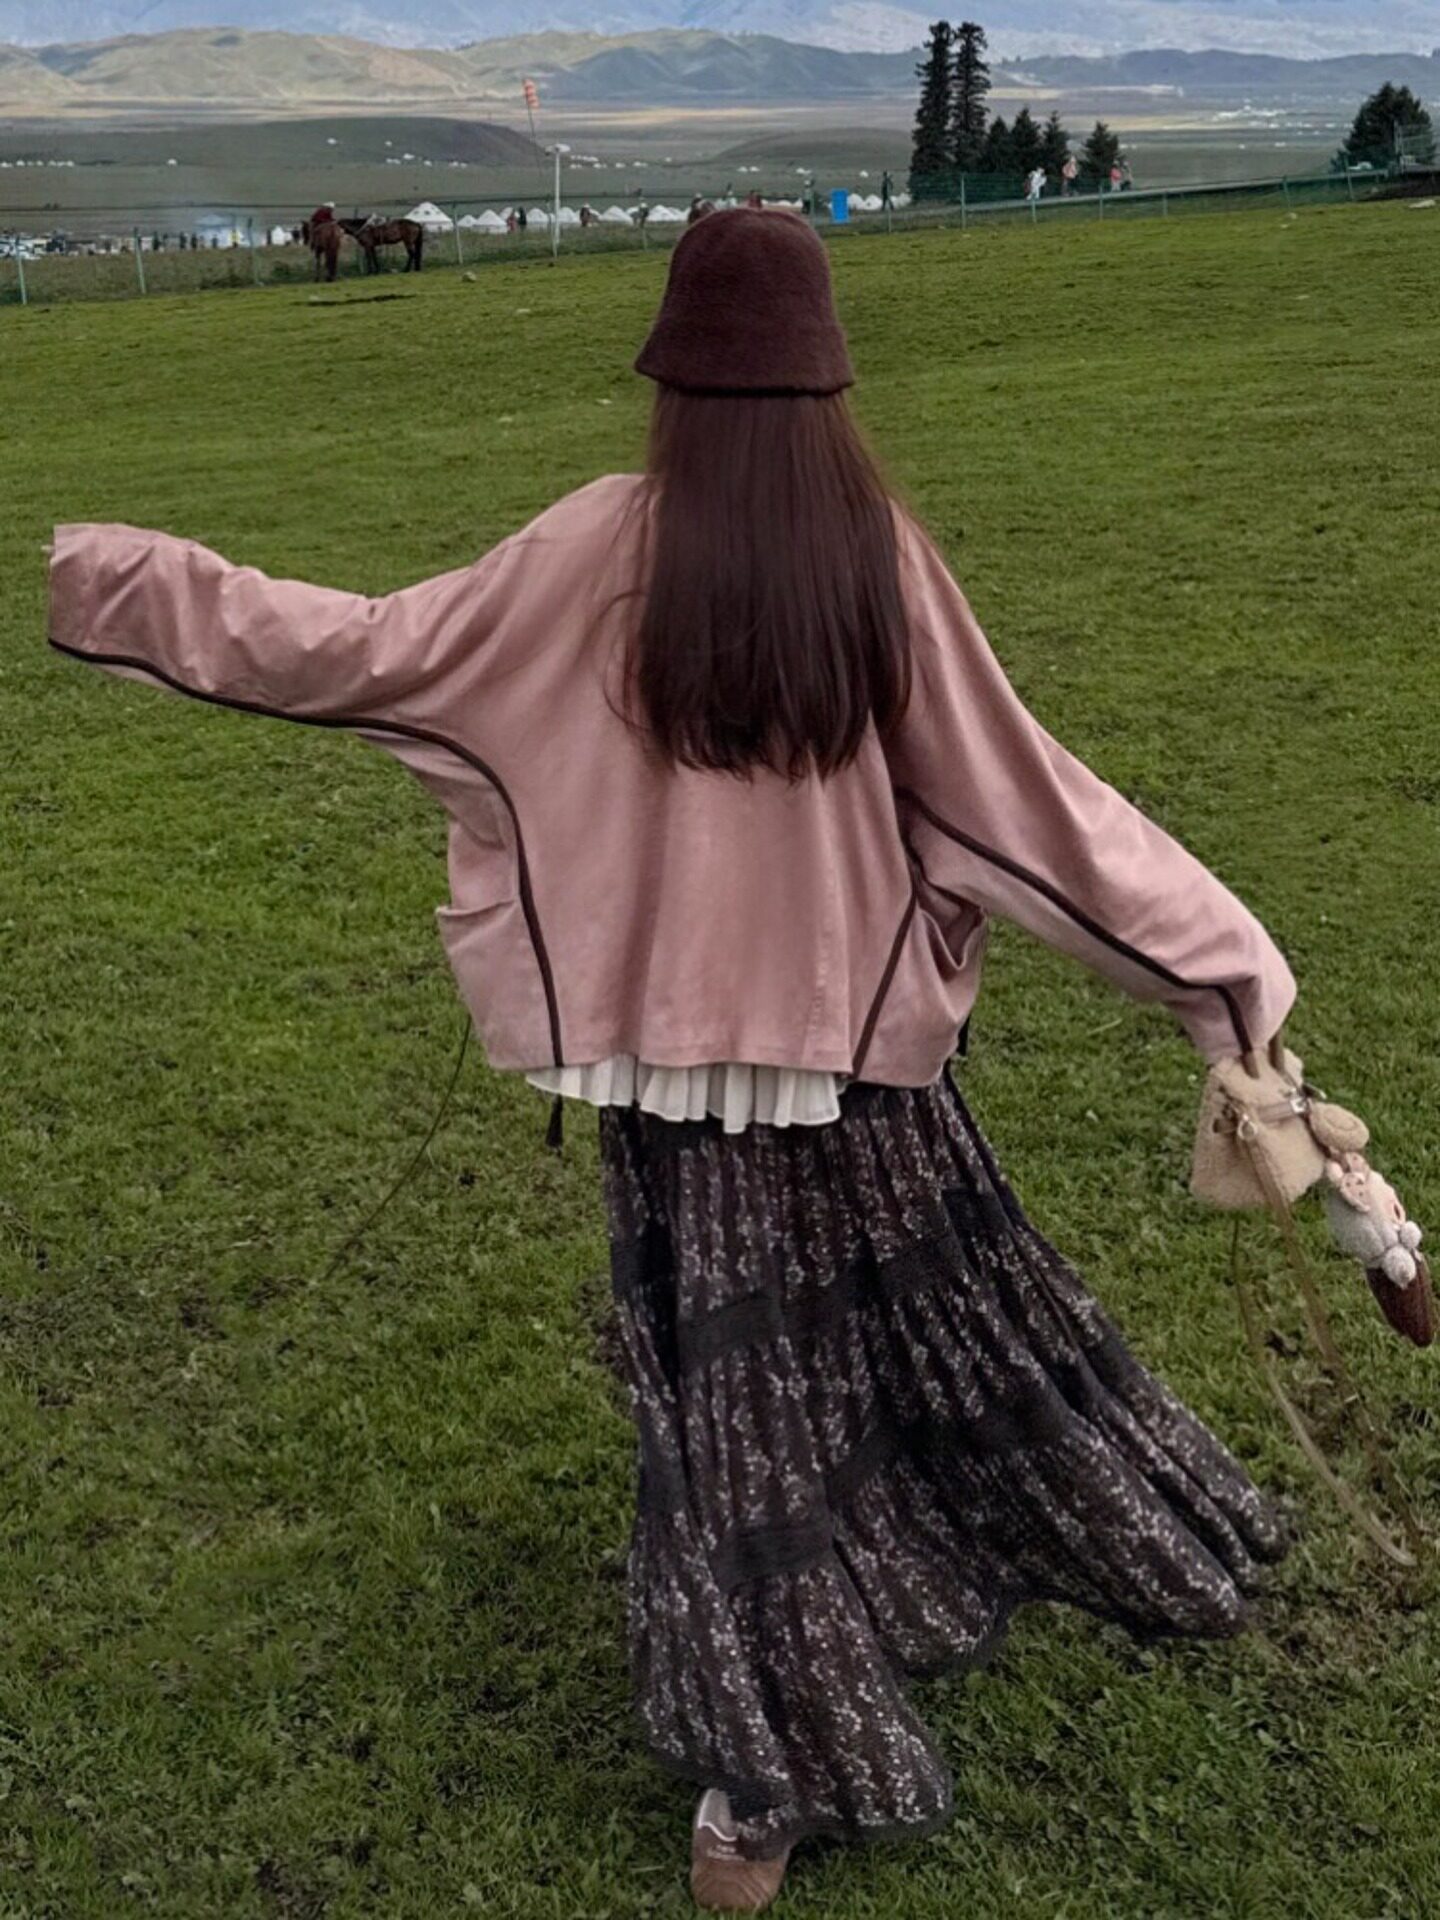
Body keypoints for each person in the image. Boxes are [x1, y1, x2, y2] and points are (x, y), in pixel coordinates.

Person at [47, 209, 1294, 1914]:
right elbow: (1041, 817)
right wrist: (1226, 976)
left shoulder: (602, 546)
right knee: (921, 1340)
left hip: (695, 1100)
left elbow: (352, 650)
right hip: (866, 1079)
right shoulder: (873, 556)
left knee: (744, 1412)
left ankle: (767, 1776)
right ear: (829, 382)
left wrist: (110, 571)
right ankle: (859, 1697)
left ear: (672, 380)